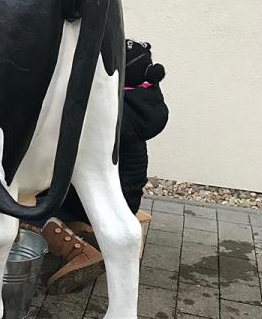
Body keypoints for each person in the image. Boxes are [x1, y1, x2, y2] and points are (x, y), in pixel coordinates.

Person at [23, 38, 169, 294]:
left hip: (105, 202)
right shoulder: (143, 101)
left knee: (24, 203)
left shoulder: (110, 114)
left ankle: (79, 253)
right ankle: (77, 232)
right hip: (127, 198)